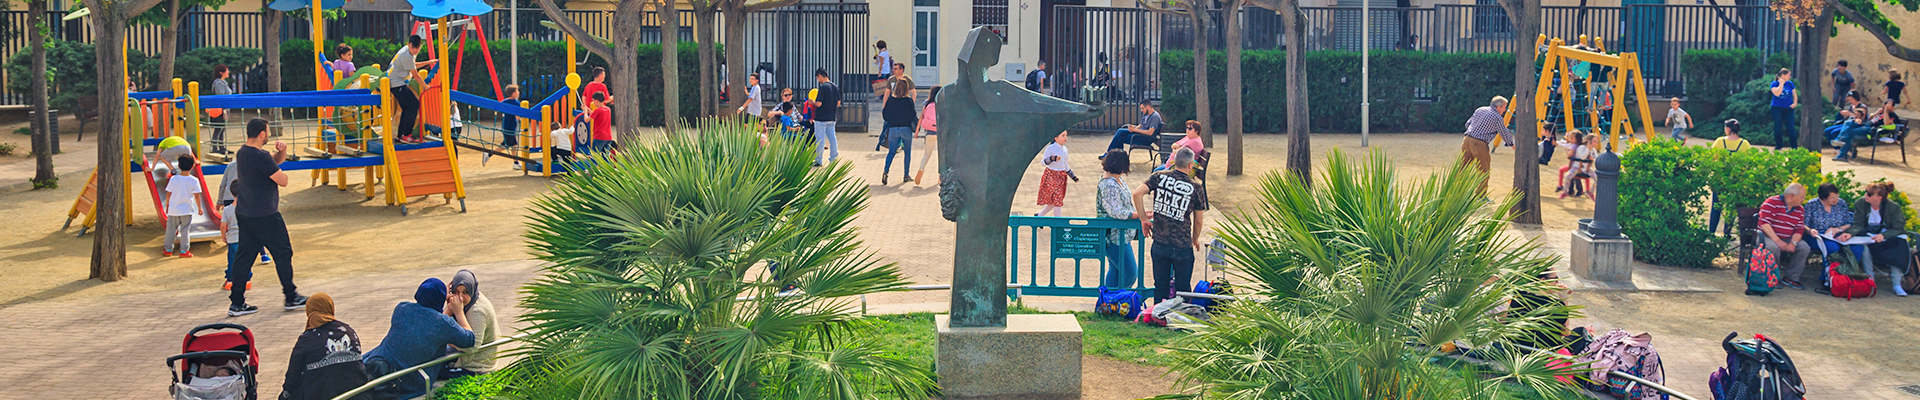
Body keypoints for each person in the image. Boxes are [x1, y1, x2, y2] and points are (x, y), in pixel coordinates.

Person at [227, 118, 307, 317]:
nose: (269, 135)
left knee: (244, 257)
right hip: (265, 214)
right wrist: (279, 166)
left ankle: (236, 302)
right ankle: (291, 296)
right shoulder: (260, 156)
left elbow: (272, 161)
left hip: (245, 213)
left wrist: (282, 152)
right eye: (268, 132)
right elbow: (283, 180)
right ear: (262, 134)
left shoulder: (243, 152)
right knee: (283, 252)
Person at [361, 278, 474, 400]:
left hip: (375, 364)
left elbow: (428, 323)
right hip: (409, 383)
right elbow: (470, 339)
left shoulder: (401, 308)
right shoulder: (443, 324)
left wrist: (440, 297)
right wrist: (459, 312)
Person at [1133, 148, 1208, 301]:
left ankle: (1157, 313)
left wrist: (1143, 218)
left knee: (1160, 286)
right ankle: (1180, 314)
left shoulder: (1159, 177)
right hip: (1182, 245)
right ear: (1190, 165)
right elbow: (1198, 220)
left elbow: (1137, 194)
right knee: (1183, 289)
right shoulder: (1196, 187)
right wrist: (1195, 238)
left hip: (1160, 242)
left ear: (1174, 162)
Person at [281, 293, 369, 400]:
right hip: (357, 394)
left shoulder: (307, 338)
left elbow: (293, 375)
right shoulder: (349, 331)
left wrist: (285, 394)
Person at [1847, 182, 1910, 296]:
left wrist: (1884, 236)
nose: (1866, 195)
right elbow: (1858, 224)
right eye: (1866, 192)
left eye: (1870, 194)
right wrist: (1850, 234)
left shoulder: (1893, 207)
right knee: (1864, 247)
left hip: (1888, 235)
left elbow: (1898, 228)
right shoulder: (1861, 203)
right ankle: (1870, 279)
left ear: (1879, 197)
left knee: (1897, 247)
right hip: (1868, 234)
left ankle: (1897, 284)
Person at [1803, 183, 1869, 291]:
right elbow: (1803, 224)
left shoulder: (1841, 203)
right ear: (1823, 198)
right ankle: (1828, 278)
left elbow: (1849, 222)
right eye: (1832, 198)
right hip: (1818, 236)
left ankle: (1849, 276)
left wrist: (1838, 229)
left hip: (1839, 234)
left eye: (1837, 196)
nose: (1836, 199)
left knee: (1857, 248)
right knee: (1832, 247)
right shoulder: (1812, 205)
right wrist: (1810, 230)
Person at [440, 270, 499, 380]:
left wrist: (459, 313)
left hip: (475, 366)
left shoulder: (478, 311)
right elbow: (436, 329)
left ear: (472, 290)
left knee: (429, 368)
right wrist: (448, 305)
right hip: (460, 356)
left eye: (465, 292)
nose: (460, 297)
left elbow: (471, 346)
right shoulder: (461, 301)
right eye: (456, 292)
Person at [1095, 149, 1139, 289]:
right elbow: (1116, 212)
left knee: (1115, 270)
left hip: (1122, 235)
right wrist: (1139, 214)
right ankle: (1119, 298)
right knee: (1130, 273)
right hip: (1114, 236)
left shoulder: (1117, 179)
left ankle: (1107, 299)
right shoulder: (1109, 184)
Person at [1758, 183, 1814, 290]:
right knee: (1772, 247)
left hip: (1788, 237)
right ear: (1792, 196)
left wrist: (1793, 243)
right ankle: (1773, 276)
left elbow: (1799, 229)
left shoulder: (1800, 209)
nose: (1803, 200)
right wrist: (1777, 241)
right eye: (1802, 197)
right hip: (1767, 235)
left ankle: (1791, 278)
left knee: (1804, 247)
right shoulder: (1772, 202)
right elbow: (1764, 224)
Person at [389, 35, 440, 143]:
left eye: (417, 48)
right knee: (414, 105)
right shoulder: (406, 55)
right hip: (396, 84)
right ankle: (407, 134)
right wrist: (425, 86)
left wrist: (429, 62)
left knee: (407, 107)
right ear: (408, 44)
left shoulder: (407, 51)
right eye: (413, 47)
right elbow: (416, 75)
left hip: (397, 83)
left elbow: (412, 65)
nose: (415, 50)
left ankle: (401, 135)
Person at [1462, 96, 1515, 197]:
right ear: (1498, 107)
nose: (1505, 110)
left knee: (1463, 167)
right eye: (1504, 107)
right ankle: (1481, 196)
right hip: (1480, 143)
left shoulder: (1480, 109)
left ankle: (1456, 192)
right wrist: (1512, 144)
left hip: (1467, 140)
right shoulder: (1497, 117)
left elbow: (1468, 124)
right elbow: (1503, 132)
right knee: (1483, 170)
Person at [880, 63, 917, 183]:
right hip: (906, 129)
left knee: (891, 152)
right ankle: (906, 175)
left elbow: (885, 115)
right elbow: (913, 115)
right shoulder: (908, 101)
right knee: (907, 153)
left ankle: (886, 171)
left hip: (893, 129)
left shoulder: (891, 100)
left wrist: (891, 119)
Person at [163, 154, 203, 258]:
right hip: (186, 210)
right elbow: (197, 196)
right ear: (192, 166)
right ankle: (184, 251)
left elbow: (168, 193)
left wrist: (167, 205)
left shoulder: (173, 179)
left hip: (174, 210)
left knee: (171, 230)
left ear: (178, 166)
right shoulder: (194, 180)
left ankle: (168, 249)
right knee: (185, 230)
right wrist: (199, 208)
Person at [1036, 131, 1078, 217]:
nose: (1065, 137)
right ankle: (1057, 220)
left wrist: (1072, 176)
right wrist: (1052, 159)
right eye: (1063, 135)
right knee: (1056, 200)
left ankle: (1039, 215)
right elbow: (1043, 162)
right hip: (1051, 175)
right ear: (1056, 138)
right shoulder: (1050, 148)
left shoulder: (1065, 149)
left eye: (1066, 135)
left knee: (1056, 200)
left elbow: (1065, 164)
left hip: (1061, 177)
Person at [808, 68, 842, 166]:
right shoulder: (835, 86)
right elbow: (838, 103)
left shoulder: (823, 87)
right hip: (832, 116)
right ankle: (833, 158)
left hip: (821, 117)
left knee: (820, 139)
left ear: (820, 76)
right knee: (832, 138)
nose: (818, 80)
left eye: (817, 78)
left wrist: (812, 102)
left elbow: (819, 103)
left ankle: (819, 160)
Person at [1556, 132, 1600, 199]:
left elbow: (1597, 159)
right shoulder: (1581, 147)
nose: (1595, 143)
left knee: (1598, 179)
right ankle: (1565, 191)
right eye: (1594, 141)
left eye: (1597, 142)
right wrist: (1588, 149)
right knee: (1567, 177)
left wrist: (1593, 159)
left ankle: (1590, 192)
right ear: (1589, 141)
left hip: (1587, 169)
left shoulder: (1593, 150)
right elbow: (1582, 157)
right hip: (1577, 168)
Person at [913, 86, 941, 185]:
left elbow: (921, 117)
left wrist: (917, 131)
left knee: (927, 154)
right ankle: (940, 176)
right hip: (940, 132)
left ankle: (921, 168)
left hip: (929, 131)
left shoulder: (927, 103)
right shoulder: (942, 103)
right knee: (941, 155)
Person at [1768, 68, 1798, 150]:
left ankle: (1794, 146)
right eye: (1788, 75)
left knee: (1791, 128)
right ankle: (1779, 145)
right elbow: (1777, 93)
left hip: (1788, 108)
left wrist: (1795, 103)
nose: (1790, 77)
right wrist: (1781, 84)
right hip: (1777, 108)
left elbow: (1794, 94)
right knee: (1778, 127)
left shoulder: (1790, 84)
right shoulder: (1774, 84)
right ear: (1783, 75)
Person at [209, 65, 236, 154]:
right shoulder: (218, 83)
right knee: (219, 128)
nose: (228, 72)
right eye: (226, 70)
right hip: (220, 110)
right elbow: (220, 97)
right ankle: (214, 148)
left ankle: (221, 148)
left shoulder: (224, 82)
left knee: (222, 129)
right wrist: (224, 111)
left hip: (225, 109)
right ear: (221, 72)